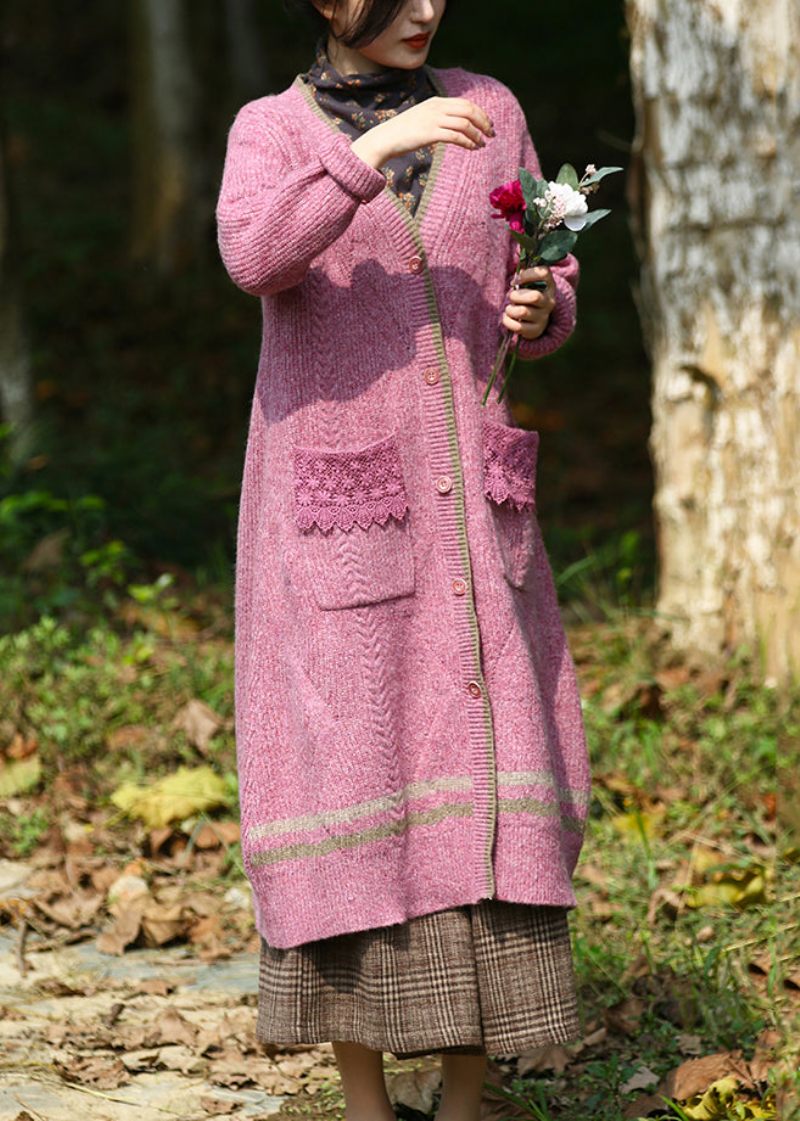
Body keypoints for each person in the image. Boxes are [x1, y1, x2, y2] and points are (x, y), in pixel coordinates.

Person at [215, 1, 592, 1119]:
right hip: (334, 505)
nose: (423, 7)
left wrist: (543, 307)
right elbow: (252, 255)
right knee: (348, 767)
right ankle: (366, 1102)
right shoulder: (269, 130)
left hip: (472, 514)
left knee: (484, 761)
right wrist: (372, 151)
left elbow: (535, 273)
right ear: (331, 3)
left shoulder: (491, 109)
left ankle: (467, 1100)